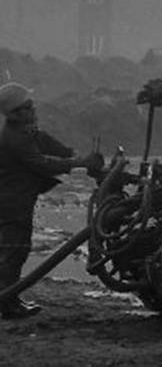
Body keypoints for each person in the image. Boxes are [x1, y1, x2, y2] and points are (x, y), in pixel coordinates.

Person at [0, 82, 102, 319]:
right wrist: (80, 163)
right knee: (15, 250)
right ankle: (7, 302)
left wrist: (71, 154)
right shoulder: (15, 138)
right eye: (29, 106)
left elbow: (44, 141)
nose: (34, 109)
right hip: (12, 201)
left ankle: (8, 297)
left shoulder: (24, 131)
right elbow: (42, 163)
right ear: (16, 113)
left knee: (13, 249)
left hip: (16, 198)